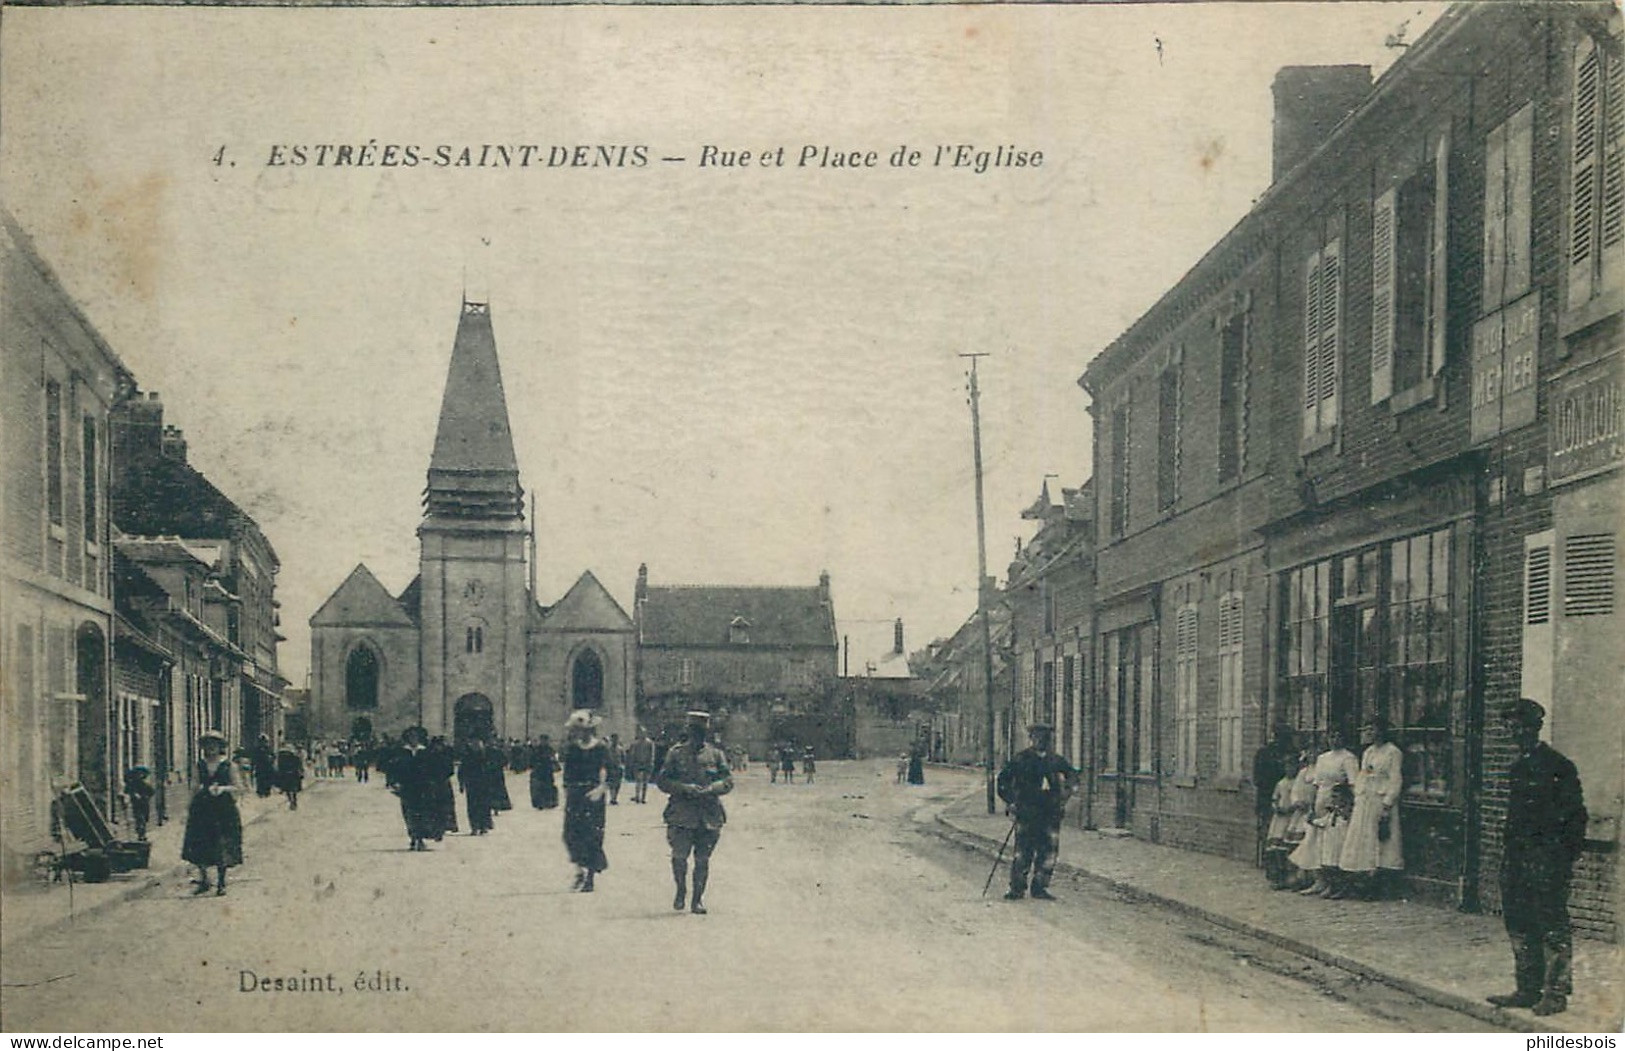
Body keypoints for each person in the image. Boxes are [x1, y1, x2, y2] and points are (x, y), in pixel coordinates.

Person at [1487, 699, 1587, 1017]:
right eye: (1509, 726)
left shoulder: (1558, 766)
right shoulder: (1519, 767)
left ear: (1534, 727)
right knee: (1519, 923)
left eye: (1518, 725)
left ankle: (1555, 994)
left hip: (1546, 861)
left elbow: (1575, 818)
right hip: (1517, 860)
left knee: (1551, 925)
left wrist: (1559, 859)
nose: (1513, 731)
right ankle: (1528, 989)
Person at [658, 710, 733, 914]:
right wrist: (684, 788)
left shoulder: (716, 754)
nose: (698, 735)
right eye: (694, 730)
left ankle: (697, 899)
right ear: (688, 731)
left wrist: (712, 788)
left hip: (709, 815)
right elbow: (662, 781)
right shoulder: (676, 753)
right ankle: (681, 890)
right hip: (681, 814)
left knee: (702, 859)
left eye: (702, 731)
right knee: (679, 857)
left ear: (707, 732)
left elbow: (728, 781)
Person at [996, 722, 1076, 900]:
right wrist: (1011, 802)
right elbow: (1002, 781)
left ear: (1049, 740)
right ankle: (1017, 888)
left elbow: (1073, 776)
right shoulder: (1020, 759)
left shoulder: (1056, 760)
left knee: (1049, 852)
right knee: (1023, 852)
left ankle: (1040, 887)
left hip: (1050, 813)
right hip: (1027, 812)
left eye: (1045, 738)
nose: (1041, 741)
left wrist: (1066, 795)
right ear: (1031, 739)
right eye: (1037, 738)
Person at [1288, 726, 1359, 898]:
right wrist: (1312, 806)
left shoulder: (1348, 758)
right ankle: (1319, 881)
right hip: (1321, 800)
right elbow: (1316, 784)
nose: (1334, 739)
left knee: (1333, 845)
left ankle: (1336, 883)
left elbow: (1353, 784)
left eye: (1338, 735)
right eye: (1331, 736)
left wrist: (1346, 807)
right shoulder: (1322, 758)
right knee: (1315, 842)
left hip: (1337, 803)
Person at [1338, 717, 1405, 899]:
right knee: (1363, 841)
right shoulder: (1368, 752)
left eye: (1372, 729)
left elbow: (1395, 779)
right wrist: (1358, 795)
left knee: (1380, 842)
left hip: (1380, 800)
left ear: (1381, 731)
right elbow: (1363, 775)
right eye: (1367, 729)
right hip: (1365, 800)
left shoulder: (1392, 752)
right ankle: (1361, 881)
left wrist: (1387, 804)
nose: (1368, 733)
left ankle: (1378, 884)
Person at [181, 731, 243, 896]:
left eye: (214, 745)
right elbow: (194, 786)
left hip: (224, 810)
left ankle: (221, 883)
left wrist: (223, 788)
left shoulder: (229, 766)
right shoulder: (199, 765)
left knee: (221, 845)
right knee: (201, 843)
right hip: (202, 808)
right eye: (207, 745)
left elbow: (239, 787)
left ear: (220, 747)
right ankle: (205, 880)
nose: (211, 749)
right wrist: (188, 807)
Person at [560, 710, 612, 891]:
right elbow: (567, 773)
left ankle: (590, 877)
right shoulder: (573, 748)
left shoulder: (601, 748)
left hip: (593, 795)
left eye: (578, 730)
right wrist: (567, 789)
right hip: (575, 795)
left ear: (589, 730)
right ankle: (579, 870)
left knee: (592, 836)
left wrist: (601, 788)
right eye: (574, 730)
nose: (575, 733)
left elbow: (611, 772)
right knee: (570, 835)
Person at [389, 726, 448, 851]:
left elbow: (434, 769)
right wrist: (394, 782)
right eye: (411, 737)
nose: (413, 739)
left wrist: (435, 782)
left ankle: (420, 839)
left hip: (424, 787)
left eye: (415, 737)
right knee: (409, 814)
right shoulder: (401, 752)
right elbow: (394, 769)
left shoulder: (426, 752)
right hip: (407, 788)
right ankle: (413, 838)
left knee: (423, 813)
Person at [459, 738, 496, 835]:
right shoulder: (467, 756)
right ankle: (474, 826)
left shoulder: (486, 756)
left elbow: (492, 770)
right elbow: (462, 770)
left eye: (478, 744)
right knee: (472, 806)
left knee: (484, 806)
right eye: (474, 744)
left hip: (484, 785)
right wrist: (461, 783)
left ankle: (484, 826)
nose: (476, 746)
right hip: (471, 784)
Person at [123, 766, 155, 841]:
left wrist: (145, 796)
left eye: (141, 774)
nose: (140, 776)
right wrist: (133, 794)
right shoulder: (132, 784)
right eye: (138, 774)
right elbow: (127, 791)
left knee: (144, 818)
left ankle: (142, 832)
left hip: (145, 804)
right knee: (140, 819)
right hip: (136, 804)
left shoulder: (145, 785)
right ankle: (141, 834)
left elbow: (152, 792)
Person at [529, 735, 559, 809]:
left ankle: (548, 802)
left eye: (545, 740)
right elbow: (532, 760)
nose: (544, 742)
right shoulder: (537, 750)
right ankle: (540, 803)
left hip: (547, 771)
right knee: (539, 787)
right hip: (539, 771)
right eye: (543, 740)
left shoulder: (550, 749)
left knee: (548, 787)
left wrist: (553, 764)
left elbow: (554, 759)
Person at [627, 730, 656, 804]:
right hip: (638, 763)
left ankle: (643, 797)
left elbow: (652, 754)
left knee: (645, 782)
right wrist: (632, 763)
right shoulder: (636, 743)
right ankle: (637, 796)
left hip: (647, 763)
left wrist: (651, 763)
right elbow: (633, 754)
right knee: (638, 781)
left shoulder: (650, 743)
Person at [275, 744, 304, 811]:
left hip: (290, 775)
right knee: (291, 789)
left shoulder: (293, 758)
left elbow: (299, 766)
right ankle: (292, 801)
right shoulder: (283, 758)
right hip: (290, 775)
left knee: (289, 789)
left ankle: (292, 801)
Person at [250, 734, 276, 799]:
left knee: (267, 783)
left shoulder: (269, 749)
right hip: (260, 769)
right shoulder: (256, 750)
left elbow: (274, 757)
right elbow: (253, 759)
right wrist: (252, 768)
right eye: (261, 741)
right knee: (260, 782)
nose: (263, 743)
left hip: (268, 769)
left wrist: (271, 759)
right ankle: (261, 794)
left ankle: (267, 793)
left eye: (264, 741)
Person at [604, 733, 625, 805]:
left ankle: (615, 797)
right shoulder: (607, 749)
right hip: (611, 768)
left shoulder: (620, 749)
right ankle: (612, 798)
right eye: (613, 739)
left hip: (618, 768)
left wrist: (622, 766)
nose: (615, 741)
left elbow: (623, 758)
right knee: (611, 784)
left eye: (616, 739)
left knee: (618, 784)